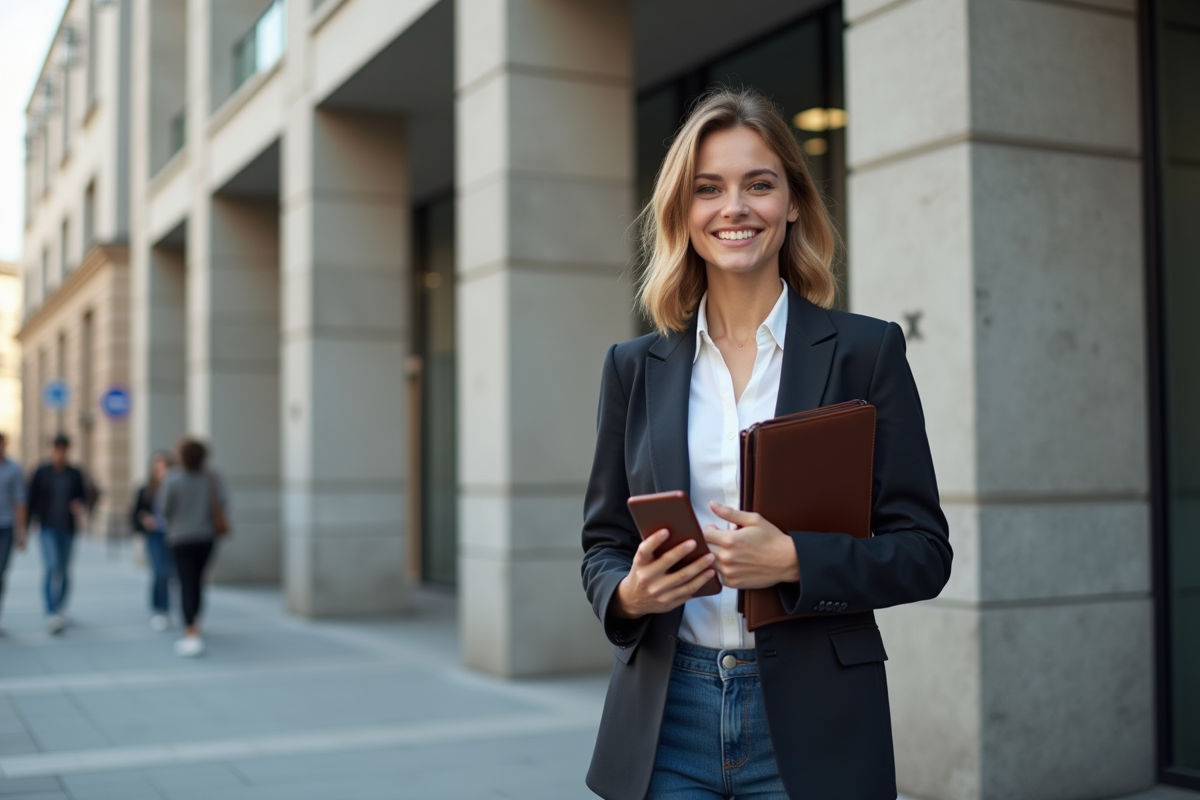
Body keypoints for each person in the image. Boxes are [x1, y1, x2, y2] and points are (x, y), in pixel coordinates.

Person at [581, 88, 952, 800]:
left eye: (759, 184)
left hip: (815, 723)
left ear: (793, 203)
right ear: (682, 212)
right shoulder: (633, 367)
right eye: (708, 189)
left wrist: (794, 560)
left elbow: (924, 552)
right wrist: (629, 593)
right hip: (667, 718)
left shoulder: (866, 353)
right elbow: (602, 545)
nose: (735, 208)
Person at [158, 437, 228, 657]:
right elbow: (223, 502)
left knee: (186, 582)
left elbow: (164, 509)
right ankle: (195, 621)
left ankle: (190, 630)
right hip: (206, 538)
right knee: (197, 581)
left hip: (180, 538)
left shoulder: (172, 479)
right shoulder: (212, 477)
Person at [27, 433, 88, 634]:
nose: (60, 454)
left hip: (68, 528)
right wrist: (27, 526)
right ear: (52, 450)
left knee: (64, 569)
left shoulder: (74, 473)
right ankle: (51, 611)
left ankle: (60, 607)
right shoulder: (42, 472)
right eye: (57, 450)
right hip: (47, 527)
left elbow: (84, 496)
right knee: (52, 566)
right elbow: (31, 498)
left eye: (64, 450)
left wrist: (79, 504)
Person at [131, 451, 175, 631]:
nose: (162, 472)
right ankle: (159, 609)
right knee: (159, 572)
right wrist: (144, 520)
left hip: (173, 535)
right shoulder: (146, 490)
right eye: (158, 468)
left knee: (170, 573)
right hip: (155, 535)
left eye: (165, 467)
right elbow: (135, 514)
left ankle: (167, 608)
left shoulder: (175, 488)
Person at [0, 432, 28, 635]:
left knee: (1, 572)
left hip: (6, 527)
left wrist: (21, 531)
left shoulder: (14, 469)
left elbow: (20, 501)